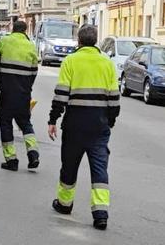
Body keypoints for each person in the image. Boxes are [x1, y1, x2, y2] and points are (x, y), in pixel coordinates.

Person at [48, 24, 119, 231]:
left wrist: (53, 120)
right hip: (99, 126)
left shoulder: (71, 61)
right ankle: (100, 213)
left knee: (69, 166)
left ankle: (64, 204)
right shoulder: (107, 63)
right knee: (99, 170)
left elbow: (61, 94)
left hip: (74, 126)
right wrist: (110, 121)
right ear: (95, 40)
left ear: (79, 41)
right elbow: (114, 99)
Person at [0, 20, 39, 171]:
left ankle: (11, 160)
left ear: (13, 29)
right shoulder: (31, 45)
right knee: (25, 123)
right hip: (24, 93)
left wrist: (5, 70)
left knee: (6, 123)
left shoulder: (4, 41)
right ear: (25, 31)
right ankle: (33, 153)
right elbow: (34, 71)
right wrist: (26, 85)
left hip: (7, 91)